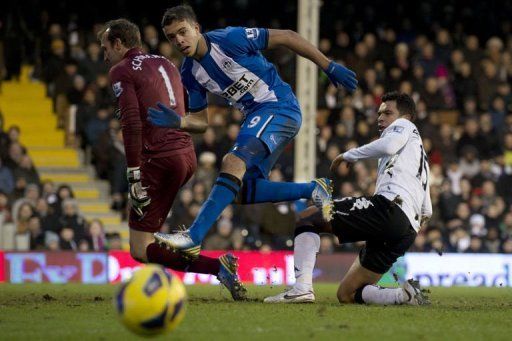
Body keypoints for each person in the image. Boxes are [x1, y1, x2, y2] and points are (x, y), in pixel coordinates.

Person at [149, 5, 357, 258]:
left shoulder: (229, 38)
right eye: (172, 37)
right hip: (259, 117)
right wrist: (180, 122)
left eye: (183, 32)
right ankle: (313, 190)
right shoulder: (190, 73)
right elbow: (201, 122)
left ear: (196, 28)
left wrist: (328, 65)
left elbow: (289, 36)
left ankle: (193, 237)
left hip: (279, 106)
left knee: (232, 161)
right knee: (239, 191)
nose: (179, 40)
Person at [99, 18, 246, 300]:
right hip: (185, 154)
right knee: (149, 237)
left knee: (140, 248)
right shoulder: (166, 62)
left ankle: (218, 267)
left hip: (160, 157)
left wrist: (133, 173)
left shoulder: (121, 70)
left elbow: (131, 123)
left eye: (106, 48)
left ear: (119, 44)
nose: (105, 55)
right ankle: (203, 259)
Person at [264, 92, 431, 305]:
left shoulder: (405, 126)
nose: (380, 118)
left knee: (308, 217)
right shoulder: (418, 154)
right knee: (348, 294)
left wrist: (348, 154)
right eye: (379, 113)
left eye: (388, 113)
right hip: (406, 229)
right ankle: (404, 296)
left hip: (389, 209)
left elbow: (388, 145)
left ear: (405, 117)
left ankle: (301, 288)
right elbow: (428, 210)